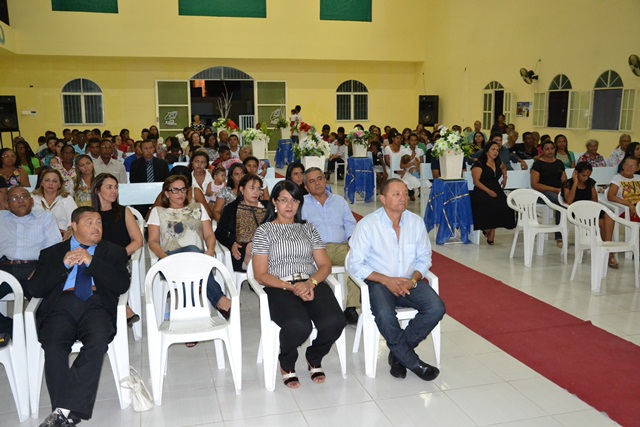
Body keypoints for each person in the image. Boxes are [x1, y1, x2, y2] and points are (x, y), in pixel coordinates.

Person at [30, 207, 129, 427]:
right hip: (60, 306)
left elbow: (122, 285)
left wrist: (91, 262)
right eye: (89, 222)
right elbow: (35, 289)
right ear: (73, 226)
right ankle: (65, 412)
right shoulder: (52, 253)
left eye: (99, 222)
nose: (96, 227)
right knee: (53, 345)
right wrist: (63, 265)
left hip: (96, 305)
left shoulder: (114, 252)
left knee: (98, 342)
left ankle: (62, 412)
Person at [347, 178, 445, 381]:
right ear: (383, 199)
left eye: (405, 193)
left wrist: (413, 280)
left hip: (409, 282)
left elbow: (424, 258)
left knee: (436, 308)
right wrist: (386, 280)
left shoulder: (415, 223)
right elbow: (354, 264)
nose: (403, 198)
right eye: (396, 194)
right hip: (379, 283)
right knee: (385, 314)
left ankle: (399, 355)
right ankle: (413, 363)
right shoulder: (368, 225)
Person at [251, 180, 346, 389]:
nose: (289, 205)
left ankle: (314, 356)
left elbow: (325, 265)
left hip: (310, 282)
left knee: (335, 321)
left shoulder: (308, 229)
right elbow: (260, 275)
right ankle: (286, 361)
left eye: (294, 200)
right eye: (283, 200)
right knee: (299, 325)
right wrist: (292, 287)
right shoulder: (264, 231)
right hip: (279, 286)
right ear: (274, 202)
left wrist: (310, 283)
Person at [147, 175, 230, 324]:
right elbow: (152, 241)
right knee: (192, 250)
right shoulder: (158, 212)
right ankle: (219, 300)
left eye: (183, 189)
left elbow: (209, 235)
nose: (180, 193)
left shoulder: (198, 208)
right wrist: (165, 258)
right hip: (169, 260)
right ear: (167, 193)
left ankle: (189, 318)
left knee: (193, 257)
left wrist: (210, 250)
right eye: (175, 190)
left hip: (199, 260)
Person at [301, 168, 360, 324]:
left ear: (325, 180)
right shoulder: (301, 203)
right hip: (317, 250)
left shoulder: (339, 201)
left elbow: (350, 223)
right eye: (311, 181)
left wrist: (351, 240)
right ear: (306, 187)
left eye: (319, 178)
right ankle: (325, 308)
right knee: (314, 270)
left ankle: (351, 307)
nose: (317, 183)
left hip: (341, 246)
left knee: (358, 260)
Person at [91, 173, 144, 324]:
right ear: (97, 190)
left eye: (116, 187)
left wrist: (120, 254)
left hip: (120, 258)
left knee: (100, 270)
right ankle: (122, 309)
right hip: (97, 259)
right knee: (96, 268)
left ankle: (110, 315)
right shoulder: (90, 214)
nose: (114, 191)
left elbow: (138, 241)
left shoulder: (124, 211)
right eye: (109, 187)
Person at [0, 187, 61, 302]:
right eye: (14, 198)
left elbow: (53, 249)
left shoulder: (45, 217)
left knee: (48, 303)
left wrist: (41, 268)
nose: (20, 200)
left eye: (24, 196)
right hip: (4, 269)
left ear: (32, 201)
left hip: (34, 269)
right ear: (7, 204)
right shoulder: (1, 218)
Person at [562, 162, 617, 268]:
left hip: (590, 208)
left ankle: (607, 248)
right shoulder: (568, 183)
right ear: (576, 173)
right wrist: (575, 182)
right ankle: (608, 253)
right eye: (583, 175)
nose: (586, 178)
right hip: (576, 210)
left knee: (608, 216)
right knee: (602, 223)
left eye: (588, 176)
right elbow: (569, 201)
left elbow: (594, 199)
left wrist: (590, 207)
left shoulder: (590, 182)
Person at [215, 174, 267, 272]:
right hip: (241, 250)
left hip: (268, 247)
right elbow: (219, 233)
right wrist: (232, 243)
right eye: (252, 188)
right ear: (242, 189)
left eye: (258, 189)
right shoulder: (231, 209)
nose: (256, 192)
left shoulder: (267, 207)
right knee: (250, 246)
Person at [470, 141, 516, 245]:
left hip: (496, 187)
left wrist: (505, 177)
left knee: (505, 206)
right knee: (489, 204)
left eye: (497, 150)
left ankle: (491, 228)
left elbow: (504, 168)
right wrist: (489, 191)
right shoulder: (479, 164)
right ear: (487, 151)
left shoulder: (498, 162)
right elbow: (476, 181)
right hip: (482, 189)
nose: (495, 152)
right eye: (493, 150)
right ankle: (489, 229)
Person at [531, 140, 567, 247]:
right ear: (542, 150)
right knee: (561, 202)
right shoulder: (538, 164)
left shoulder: (559, 163)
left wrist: (565, 190)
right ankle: (559, 236)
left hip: (558, 191)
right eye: (547, 149)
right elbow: (535, 184)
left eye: (552, 148)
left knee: (569, 199)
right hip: (542, 193)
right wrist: (554, 190)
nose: (550, 151)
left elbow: (564, 181)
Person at [31, 168, 78, 235]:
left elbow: (75, 220)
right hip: (36, 235)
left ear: (59, 184)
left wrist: (69, 231)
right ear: (41, 183)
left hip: (61, 236)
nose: (50, 183)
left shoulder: (67, 199)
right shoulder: (32, 198)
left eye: (54, 181)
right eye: (47, 180)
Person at [607, 156, 640, 222]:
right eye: (627, 165)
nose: (629, 168)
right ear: (623, 166)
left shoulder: (638, 178)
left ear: (638, 168)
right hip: (625, 210)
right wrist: (629, 204)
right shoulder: (617, 178)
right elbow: (610, 196)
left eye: (632, 166)